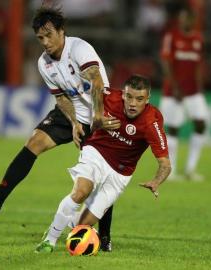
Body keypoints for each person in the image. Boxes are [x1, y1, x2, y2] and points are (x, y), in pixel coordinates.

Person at [0, 7, 121, 252]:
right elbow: (61, 97)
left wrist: (96, 118)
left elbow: (96, 81)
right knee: (34, 142)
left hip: (100, 112)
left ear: (62, 31)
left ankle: (104, 238)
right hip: (71, 113)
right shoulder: (44, 63)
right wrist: (74, 123)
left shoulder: (79, 49)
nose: (45, 42)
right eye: (40, 38)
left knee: (100, 176)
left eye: (49, 35)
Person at [35, 75, 171, 253]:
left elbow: (165, 164)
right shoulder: (109, 97)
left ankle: (70, 222)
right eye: (129, 97)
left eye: (139, 99)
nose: (132, 103)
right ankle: (49, 240)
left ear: (147, 99)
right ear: (123, 94)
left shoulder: (151, 121)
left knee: (81, 225)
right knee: (81, 191)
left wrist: (156, 181)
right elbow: (83, 94)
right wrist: (84, 121)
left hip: (120, 174)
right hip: (96, 153)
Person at [159, 7, 208, 181]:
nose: (186, 21)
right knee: (173, 128)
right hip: (174, 91)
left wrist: (200, 87)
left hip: (193, 90)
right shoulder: (171, 37)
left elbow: (198, 65)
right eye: (184, 18)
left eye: (189, 18)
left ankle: (190, 169)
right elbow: (166, 63)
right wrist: (175, 87)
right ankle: (170, 171)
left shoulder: (198, 39)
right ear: (180, 19)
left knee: (201, 123)